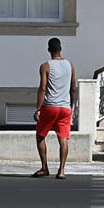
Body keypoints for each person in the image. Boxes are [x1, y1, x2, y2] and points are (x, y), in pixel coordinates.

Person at [34, 37, 76, 177]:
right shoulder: (70, 65)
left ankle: (45, 167)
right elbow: (73, 88)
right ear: (61, 49)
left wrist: (38, 108)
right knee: (63, 139)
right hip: (65, 108)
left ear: (48, 50)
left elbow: (43, 88)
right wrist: (72, 106)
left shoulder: (46, 66)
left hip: (50, 107)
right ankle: (62, 171)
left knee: (40, 136)